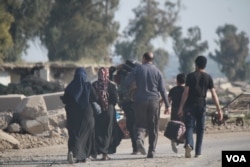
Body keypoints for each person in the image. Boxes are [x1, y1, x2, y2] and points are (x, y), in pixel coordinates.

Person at [126, 52, 170, 158]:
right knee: (153, 126)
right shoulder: (158, 72)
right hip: (154, 101)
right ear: (152, 59)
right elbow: (163, 90)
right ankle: (152, 151)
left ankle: (140, 140)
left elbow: (127, 81)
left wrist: (134, 88)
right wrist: (167, 105)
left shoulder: (137, 69)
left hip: (139, 100)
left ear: (144, 58)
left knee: (140, 123)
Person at [178, 55, 223, 158]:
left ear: (196, 65)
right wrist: (219, 109)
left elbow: (186, 93)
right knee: (200, 129)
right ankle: (198, 152)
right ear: (204, 65)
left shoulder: (190, 76)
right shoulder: (208, 77)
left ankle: (189, 144)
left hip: (190, 105)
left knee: (189, 126)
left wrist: (181, 107)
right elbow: (213, 94)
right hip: (201, 105)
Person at [61, 67, 98, 163]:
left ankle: (72, 152)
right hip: (87, 114)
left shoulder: (70, 87)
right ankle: (81, 155)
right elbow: (95, 98)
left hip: (73, 114)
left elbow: (65, 100)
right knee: (85, 134)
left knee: (74, 134)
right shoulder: (88, 86)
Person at [92, 67, 124, 160]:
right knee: (108, 132)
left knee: (99, 132)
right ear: (107, 75)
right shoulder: (111, 85)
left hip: (97, 112)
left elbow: (91, 98)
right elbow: (115, 100)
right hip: (109, 112)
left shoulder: (94, 85)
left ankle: (98, 151)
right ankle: (105, 154)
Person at [115, 63, 138, 155]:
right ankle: (136, 147)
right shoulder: (124, 75)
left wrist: (124, 65)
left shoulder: (132, 73)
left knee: (132, 125)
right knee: (132, 125)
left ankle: (136, 147)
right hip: (130, 103)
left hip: (131, 103)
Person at [167, 73, 186, 153]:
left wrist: (166, 107)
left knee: (175, 127)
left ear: (177, 81)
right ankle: (186, 143)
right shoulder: (187, 90)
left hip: (174, 110)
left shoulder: (173, 89)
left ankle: (173, 141)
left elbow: (168, 100)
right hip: (184, 110)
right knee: (185, 127)